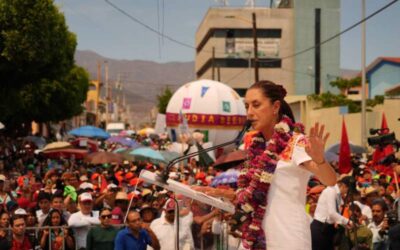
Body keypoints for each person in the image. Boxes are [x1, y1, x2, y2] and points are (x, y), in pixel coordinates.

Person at [194, 80, 336, 249]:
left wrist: (320, 160)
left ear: (275, 107)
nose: (249, 113)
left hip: (287, 238)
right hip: (255, 237)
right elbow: (255, 195)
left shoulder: (295, 142)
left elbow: (330, 181)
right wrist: (219, 193)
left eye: (256, 105)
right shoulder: (256, 146)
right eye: (247, 106)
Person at [311, 176, 354, 250]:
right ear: (344, 186)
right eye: (348, 190)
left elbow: (334, 216)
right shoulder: (331, 191)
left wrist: (344, 224)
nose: (348, 192)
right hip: (320, 228)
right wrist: (347, 221)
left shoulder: (338, 195)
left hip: (328, 229)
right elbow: (332, 213)